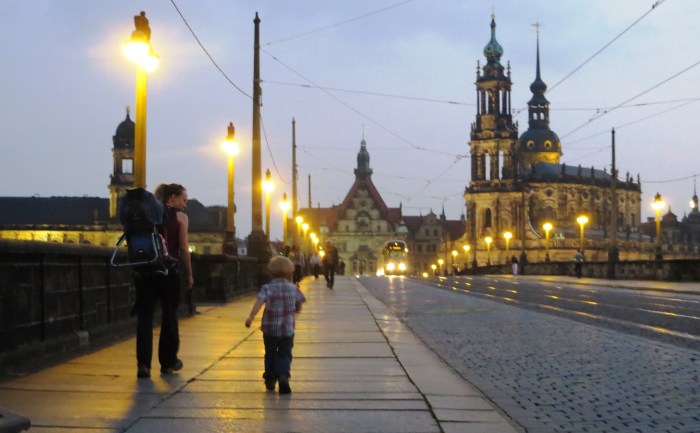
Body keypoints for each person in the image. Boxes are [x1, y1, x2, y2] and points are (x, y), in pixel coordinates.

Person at [135, 183, 193, 379]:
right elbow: (184, 249)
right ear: (172, 198)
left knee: (144, 319)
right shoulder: (180, 218)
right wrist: (190, 274)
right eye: (183, 200)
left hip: (145, 272)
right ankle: (168, 362)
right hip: (169, 272)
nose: (185, 205)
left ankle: (143, 364)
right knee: (169, 316)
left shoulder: (145, 216)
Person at [245, 256, 306, 394]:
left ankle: (270, 379)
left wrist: (250, 317)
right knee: (285, 353)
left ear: (271, 273)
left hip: (270, 329)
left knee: (270, 353)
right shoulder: (293, 289)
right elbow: (299, 307)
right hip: (287, 329)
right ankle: (284, 375)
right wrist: (294, 309)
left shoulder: (267, 288)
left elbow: (258, 303)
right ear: (290, 273)